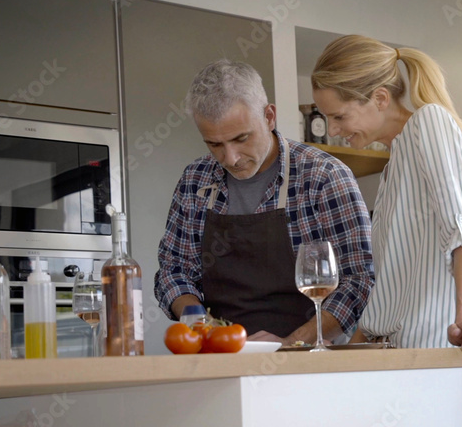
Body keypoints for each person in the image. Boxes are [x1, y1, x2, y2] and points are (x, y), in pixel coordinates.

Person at [155, 60, 374, 345]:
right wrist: (203, 325)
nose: (230, 158)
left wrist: (292, 344)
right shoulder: (195, 181)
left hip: (306, 360)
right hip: (221, 356)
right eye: (215, 144)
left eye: (241, 138)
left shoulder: (323, 177)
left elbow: (359, 281)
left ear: (269, 116)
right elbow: (174, 271)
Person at [311, 35, 462, 353]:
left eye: (339, 116)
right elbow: (389, 293)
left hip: (435, 355)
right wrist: (344, 354)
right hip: (396, 358)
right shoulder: (394, 165)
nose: (332, 130)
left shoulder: (429, 122)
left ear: (380, 98)